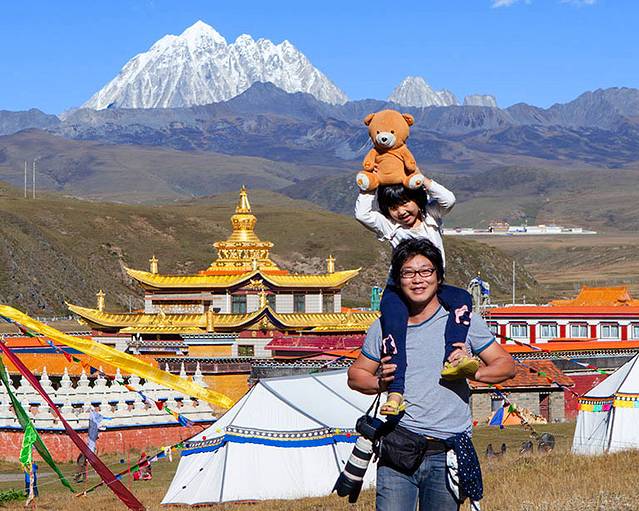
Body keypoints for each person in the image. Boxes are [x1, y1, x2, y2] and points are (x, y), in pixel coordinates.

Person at [348, 239, 516, 510]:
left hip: (446, 452)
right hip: (398, 449)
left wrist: (472, 370)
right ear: (398, 280)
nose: (418, 280)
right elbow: (355, 375)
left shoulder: (463, 322)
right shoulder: (383, 328)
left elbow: (506, 365)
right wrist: (380, 382)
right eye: (408, 273)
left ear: (439, 277)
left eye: (426, 271)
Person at [355, 178, 477, 415]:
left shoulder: (432, 216)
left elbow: (448, 199)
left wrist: (421, 179)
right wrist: (369, 186)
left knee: (462, 299)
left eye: (406, 202)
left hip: (433, 286)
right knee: (394, 332)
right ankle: (395, 392)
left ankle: (454, 356)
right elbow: (362, 214)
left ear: (418, 199)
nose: (401, 211)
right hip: (398, 290)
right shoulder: (390, 226)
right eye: (393, 207)